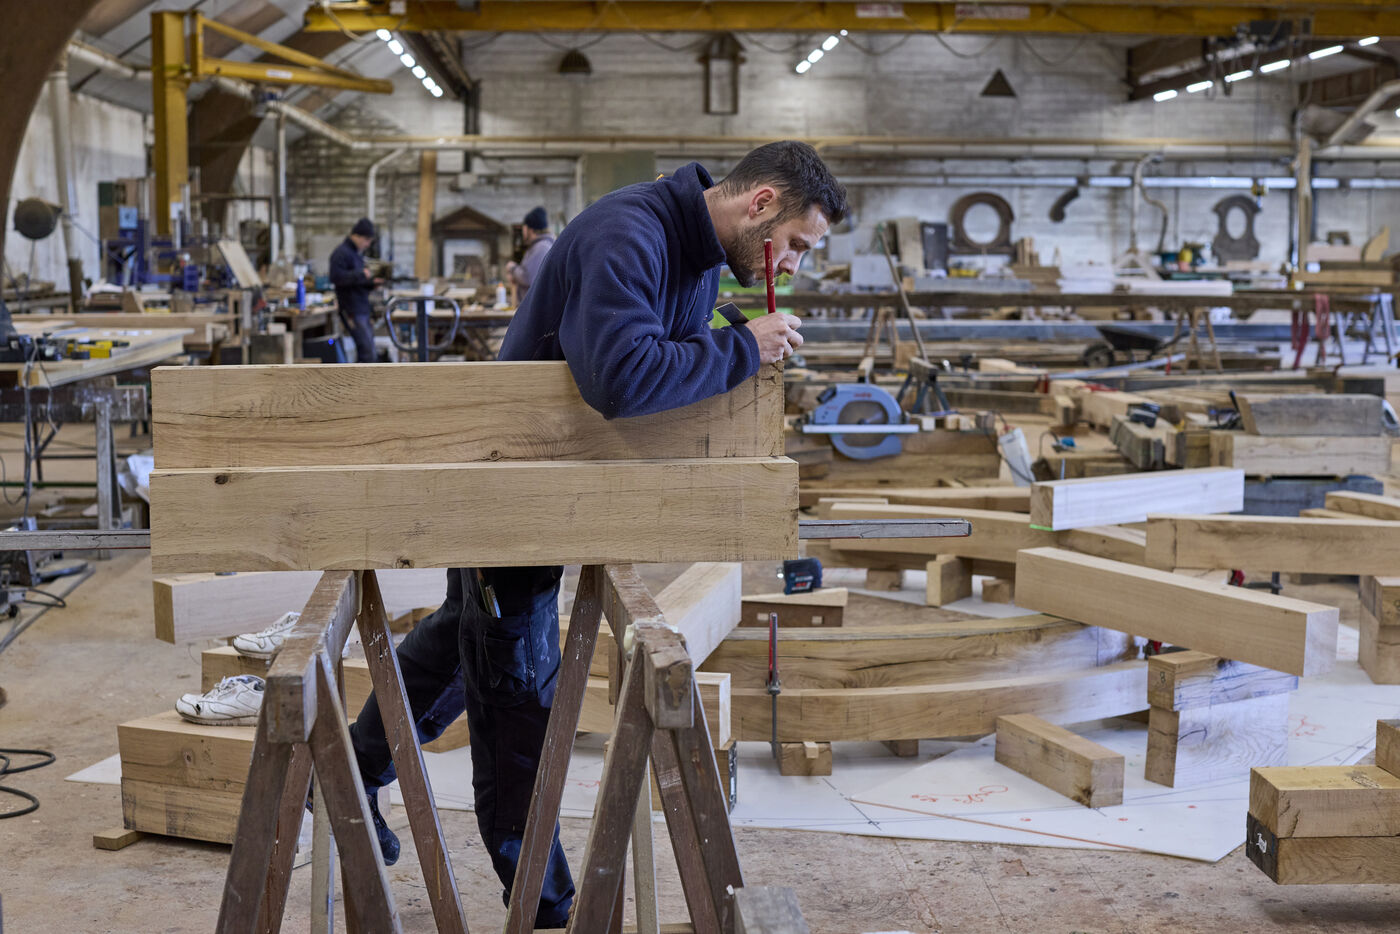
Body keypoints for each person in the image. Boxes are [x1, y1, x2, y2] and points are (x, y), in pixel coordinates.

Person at [346, 141, 847, 927]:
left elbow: (667, 333)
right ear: (761, 205)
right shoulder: (631, 233)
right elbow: (622, 377)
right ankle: (547, 911)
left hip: (557, 489)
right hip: (516, 490)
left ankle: (352, 768)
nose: (793, 264)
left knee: (467, 639)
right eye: (796, 245)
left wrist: (733, 330)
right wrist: (743, 347)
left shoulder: (695, 255)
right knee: (519, 697)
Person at [329, 218, 382, 363]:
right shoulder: (341, 253)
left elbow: (356, 282)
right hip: (352, 309)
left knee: (370, 351)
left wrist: (372, 284)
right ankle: (361, 378)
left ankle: (364, 377)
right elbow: (336, 277)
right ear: (357, 236)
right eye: (366, 240)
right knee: (367, 352)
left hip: (361, 308)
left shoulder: (356, 254)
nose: (368, 244)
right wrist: (360, 274)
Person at [506, 206, 555, 302]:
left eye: (524, 227)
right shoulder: (538, 246)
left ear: (530, 229)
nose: (522, 231)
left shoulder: (541, 248)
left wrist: (512, 268)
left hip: (535, 306)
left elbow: (528, 278)